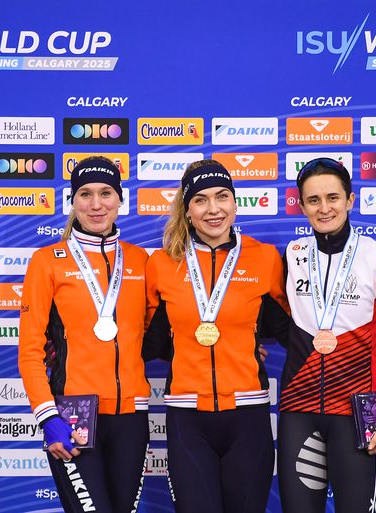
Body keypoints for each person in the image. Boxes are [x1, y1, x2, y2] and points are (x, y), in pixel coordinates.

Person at [143, 159, 290, 513]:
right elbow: (150, 340)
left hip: (248, 415)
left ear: (235, 203)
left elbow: (287, 328)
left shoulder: (265, 259)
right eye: (201, 200)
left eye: (222, 197)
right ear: (187, 209)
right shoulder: (162, 263)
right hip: (187, 417)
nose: (213, 209)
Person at [277, 158, 376, 513]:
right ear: (302, 205)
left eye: (333, 197)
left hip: (356, 414)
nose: (324, 208)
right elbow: (269, 319)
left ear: (350, 200)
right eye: (313, 200)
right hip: (298, 409)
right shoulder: (292, 256)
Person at [18, 156, 150, 513]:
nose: (96, 204)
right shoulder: (47, 261)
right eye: (85, 194)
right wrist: (48, 417)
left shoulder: (140, 261)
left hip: (131, 417)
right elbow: (30, 351)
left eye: (106, 193)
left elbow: (161, 334)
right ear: (72, 201)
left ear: (120, 199)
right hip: (75, 415)